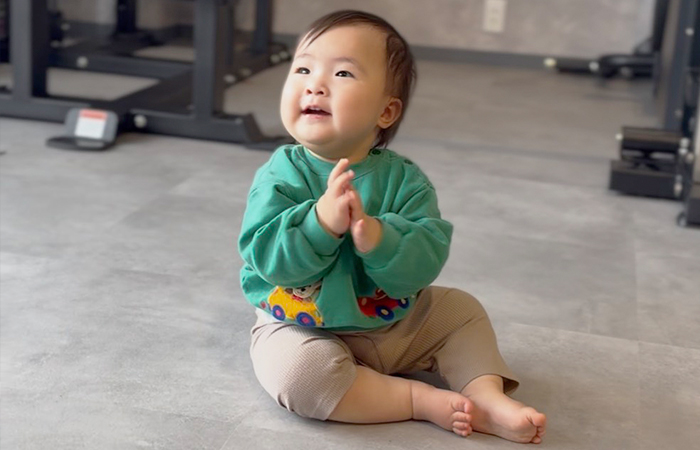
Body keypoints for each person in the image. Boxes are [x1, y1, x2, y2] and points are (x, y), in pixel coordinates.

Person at [238, 10, 547, 444]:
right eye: (303, 69)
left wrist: (380, 240)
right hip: (299, 324)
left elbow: (424, 261)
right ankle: (414, 400)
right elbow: (268, 258)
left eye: (342, 73)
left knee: (462, 312)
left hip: (393, 323)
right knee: (299, 376)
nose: (315, 85)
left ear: (386, 111)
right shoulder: (280, 174)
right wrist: (320, 223)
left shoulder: (406, 181)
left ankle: (485, 396)